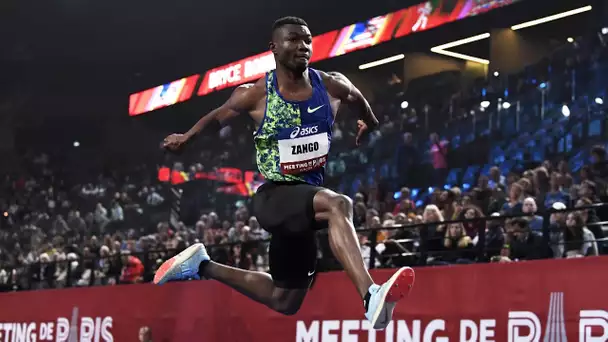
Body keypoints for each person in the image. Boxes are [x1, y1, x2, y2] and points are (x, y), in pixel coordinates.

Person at [153, 16, 415, 329]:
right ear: (274, 48)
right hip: (274, 198)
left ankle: (203, 265)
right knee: (339, 204)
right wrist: (186, 138)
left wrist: (369, 123)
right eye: (293, 39)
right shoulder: (256, 95)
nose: (303, 46)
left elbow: (357, 100)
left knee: (285, 300)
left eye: (307, 40)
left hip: (304, 205)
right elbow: (217, 118)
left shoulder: (331, 85)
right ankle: (371, 295)